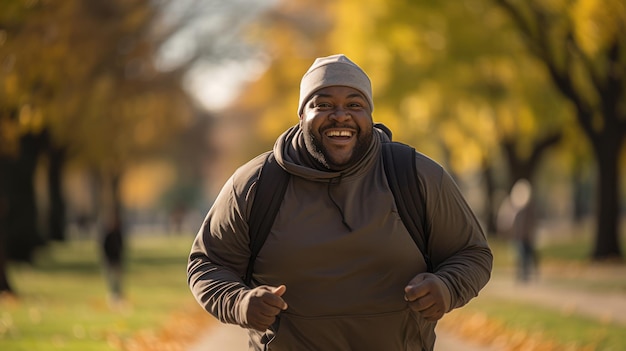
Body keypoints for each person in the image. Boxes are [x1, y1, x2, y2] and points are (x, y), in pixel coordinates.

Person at [187, 54, 493, 351]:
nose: (340, 115)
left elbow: (471, 253)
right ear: (301, 114)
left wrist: (448, 287)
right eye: (323, 104)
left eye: (354, 104)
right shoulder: (257, 183)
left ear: (369, 115)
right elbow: (207, 263)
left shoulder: (415, 175)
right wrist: (239, 303)